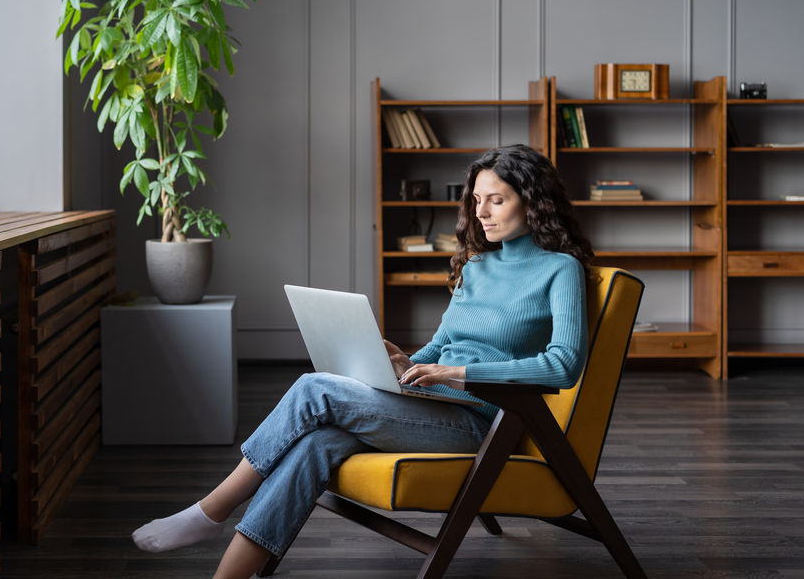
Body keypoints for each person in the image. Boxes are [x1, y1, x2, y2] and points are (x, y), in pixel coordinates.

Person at [129, 144, 595, 578]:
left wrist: (458, 374)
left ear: (531, 202)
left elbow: (563, 365)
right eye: (476, 200)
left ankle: (211, 510)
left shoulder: (560, 270)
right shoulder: (476, 267)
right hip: (433, 403)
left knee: (316, 388)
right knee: (318, 444)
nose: (482, 212)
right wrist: (403, 361)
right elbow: (443, 345)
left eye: (496, 200)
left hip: (484, 422)